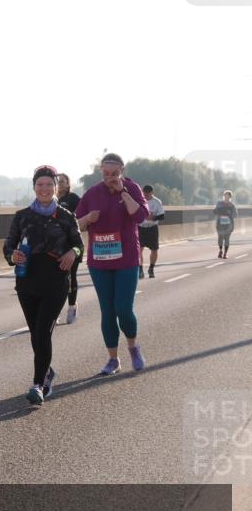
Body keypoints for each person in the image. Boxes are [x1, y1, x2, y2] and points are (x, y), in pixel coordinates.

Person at [3, 166, 83, 406]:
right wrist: (13, 255)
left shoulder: (66, 216)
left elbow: (79, 245)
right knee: (35, 333)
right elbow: (8, 246)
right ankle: (47, 371)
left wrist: (72, 253)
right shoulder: (22, 216)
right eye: (40, 185)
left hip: (56, 281)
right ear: (34, 187)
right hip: (27, 281)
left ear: (56, 187)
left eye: (49, 184)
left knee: (43, 331)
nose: (45, 189)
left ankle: (38, 384)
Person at [75, 153, 150, 375]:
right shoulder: (91, 193)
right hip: (99, 261)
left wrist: (123, 193)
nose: (110, 178)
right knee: (107, 311)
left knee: (124, 309)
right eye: (106, 174)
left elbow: (140, 217)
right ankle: (113, 359)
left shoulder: (132, 188)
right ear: (101, 171)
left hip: (126, 259)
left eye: (114, 174)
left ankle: (133, 347)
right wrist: (87, 218)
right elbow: (75, 225)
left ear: (122, 170)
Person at [56, 173, 82, 324]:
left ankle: (72, 306)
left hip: (72, 245)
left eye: (62, 182)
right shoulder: (50, 198)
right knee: (55, 280)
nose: (59, 184)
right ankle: (55, 310)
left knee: (70, 277)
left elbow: (81, 216)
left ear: (68, 183)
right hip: (54, 246)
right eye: (57, 182)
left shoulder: (73, 199)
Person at [138, 185, 164, 278]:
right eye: (145, 194)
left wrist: (153, 217)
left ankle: (151, 268)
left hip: (152, 228)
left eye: (148, 194)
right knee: (139, 249)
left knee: (154, 249)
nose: (146, 196)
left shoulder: (157, 202)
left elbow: (162, 216)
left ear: (152, 193)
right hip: (141, 227)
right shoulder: (139, 200)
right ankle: (140, 270)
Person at [214, 190, 238, 258]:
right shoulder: (219, 203)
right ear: (223, 196)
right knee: (220, 238)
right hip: (220, 224)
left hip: (229, 225)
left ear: (230, 197)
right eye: (225, 195)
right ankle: (220, 251)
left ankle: (225, 254)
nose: (226, 197)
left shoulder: (232, 205)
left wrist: (229, 214)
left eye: (228, 195)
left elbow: (235, 215)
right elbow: (215, 211)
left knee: (227, 239)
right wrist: (220, 211)